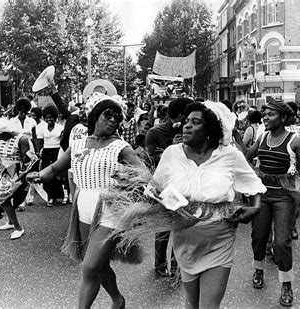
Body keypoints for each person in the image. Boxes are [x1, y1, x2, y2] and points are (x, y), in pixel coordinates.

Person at [151, 101, 266, 308]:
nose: (186, 126)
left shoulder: (230, 156)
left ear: (210, 130)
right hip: (185, 240)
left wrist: (255, 208)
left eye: (195, 122)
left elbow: (254, 185)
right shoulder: (171, 153)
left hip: (219, 239)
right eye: (186, 121)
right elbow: (155, 188)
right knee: (192, 302)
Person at [35, 96, 141, 308]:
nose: (113, 119)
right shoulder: (78, 144)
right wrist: (40, 174)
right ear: (95, 116)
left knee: (89, 267)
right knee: (99, 266)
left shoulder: (121, 147)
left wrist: (127, 182)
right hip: (83, 207)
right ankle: (118, 300)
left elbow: (144, 175)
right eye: (107, 115)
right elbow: (56, 167)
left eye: (117, 117)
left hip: (110, 210)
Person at [233, 99, 300, 307]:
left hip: (284, 196)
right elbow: (247, 155)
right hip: (262, 194)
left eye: (270, 114)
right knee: (259, 236)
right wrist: (235, 134)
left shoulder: (295, 140)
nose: (265, 117)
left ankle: (286, 284)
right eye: (264, 114)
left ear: (282, 117)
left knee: (281, 242)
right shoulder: (263, 136)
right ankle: (258, 269)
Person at [145, 97, 193, 277]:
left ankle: (176, 264)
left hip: (184, 186)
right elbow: (147, 160)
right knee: (163, 228)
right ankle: (159, 263)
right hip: (163, 188)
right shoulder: (154, 132)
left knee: (181, 227)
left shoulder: (190, 132)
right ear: (181, 114)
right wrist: (171, 150)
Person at [36, 105, 64, 206]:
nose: (49, 119)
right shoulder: (42, 128)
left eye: (51, 117)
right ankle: (50, 197)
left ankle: (59, 196)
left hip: (57, 152)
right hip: (46, 153)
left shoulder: (61, 127)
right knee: (47, 175)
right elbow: (39, 142)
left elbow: (63, 141)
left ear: (55, 117)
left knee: (57, 175)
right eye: (47, 117)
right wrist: (39, 153)